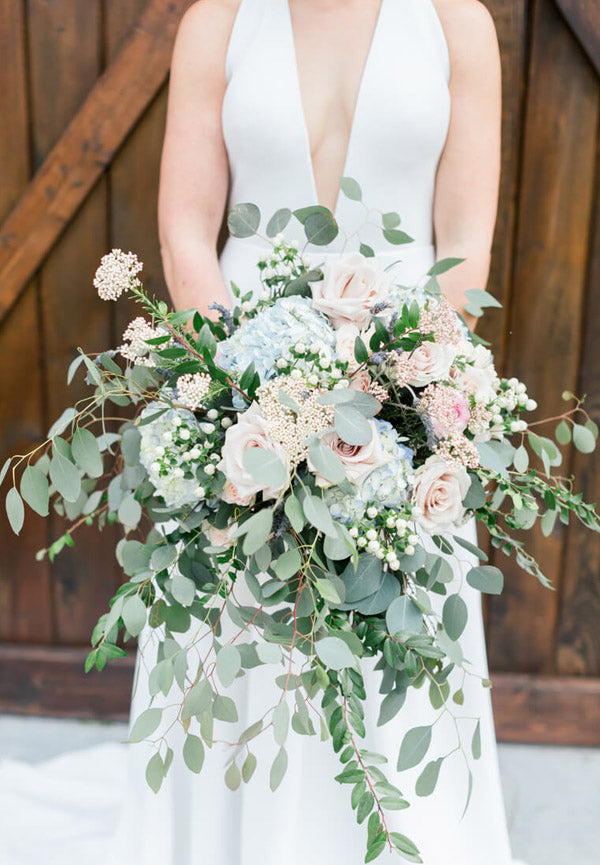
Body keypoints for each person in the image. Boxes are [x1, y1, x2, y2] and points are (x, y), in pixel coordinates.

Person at [107, 1, 528, 863]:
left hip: (403, 399)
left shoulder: (459, 24)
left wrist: (398, 394)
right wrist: (246, 398)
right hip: (243, 396)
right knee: (246, 655)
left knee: (393, 660)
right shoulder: (217, 21)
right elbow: (187, 231)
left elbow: (467, 244)